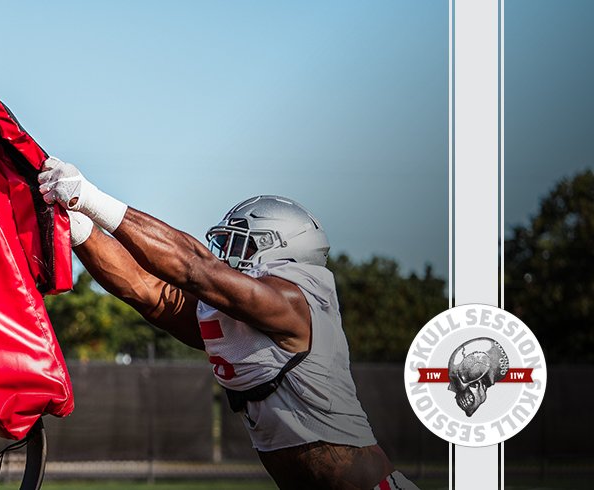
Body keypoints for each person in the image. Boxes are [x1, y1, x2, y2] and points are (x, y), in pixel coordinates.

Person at [38, 157, 419, 490]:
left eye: (244, 245)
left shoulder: (294, 302)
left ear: (281, 249)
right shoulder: (241, 314)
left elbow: (196, 269)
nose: (229, 256)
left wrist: (87, 198)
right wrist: (79, 228)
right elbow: (149, 293)